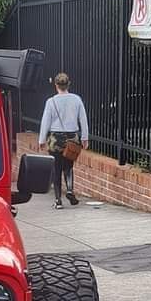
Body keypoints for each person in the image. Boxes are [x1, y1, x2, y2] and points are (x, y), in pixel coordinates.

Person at [38, 72, 89, 208]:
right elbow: (83, 119)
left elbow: (46, 121)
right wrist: (84, 137)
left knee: (56, 168)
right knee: (69, 166)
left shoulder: (51, 101)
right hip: (72, 137)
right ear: (68, 84)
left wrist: (42, 139)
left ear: (56, 85)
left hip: (55, 138)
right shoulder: (76, 99)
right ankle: (70, 189)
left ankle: (58, 200)